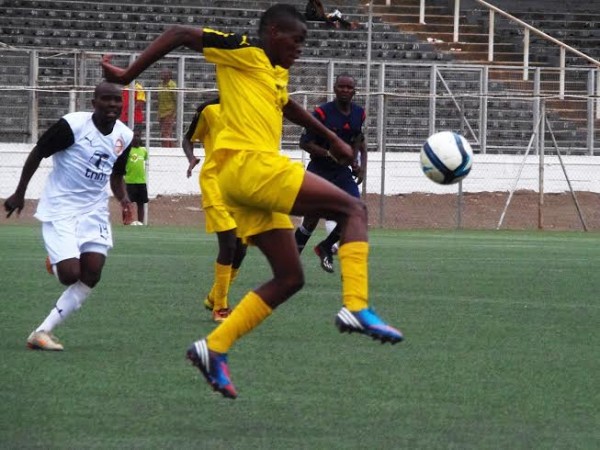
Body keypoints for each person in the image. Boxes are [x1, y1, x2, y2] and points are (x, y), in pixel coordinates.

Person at [101, 3, 403, 400]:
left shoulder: (275, 71)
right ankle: (356, 307)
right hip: (250, 165)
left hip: (243, 180)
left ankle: (214, 348)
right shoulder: (243, 49)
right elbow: (178, 32)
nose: (301, 49)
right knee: (354, 209)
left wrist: (332, 139)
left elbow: (287, 105)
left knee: (290, 278)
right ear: (274, 32)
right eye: (297, 41)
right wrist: (127, 75)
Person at [4, 81, 134, 351]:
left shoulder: (125, 136)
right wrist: (19, 193)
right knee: (69, 274)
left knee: (92, 273)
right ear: (93, 102)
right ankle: (57, 260)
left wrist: (122, 196)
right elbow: (38, 152)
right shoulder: (73, 126)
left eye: (117, 100)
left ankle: (42, 332)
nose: (113, 105)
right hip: (61, 207)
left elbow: (116, 174)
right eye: (106, 100)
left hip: (94, 210)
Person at [182, 98, 248, 322]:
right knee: (229, 243)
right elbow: (187, 139)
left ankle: (214, 295)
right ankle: (220, 307)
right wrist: (191, 158)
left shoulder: (254, 108)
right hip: (215, 183)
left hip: (244, 185)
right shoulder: (209, 110)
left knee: (241, 248)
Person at [295, 73, 366, 274]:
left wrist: (360, 165)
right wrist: (329, 154)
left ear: (354, 91)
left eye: (349, 87)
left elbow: (359, 141)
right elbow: (304, 142)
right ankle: (290, 264)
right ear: (334, 89)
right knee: (310, 219)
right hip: (319, 171)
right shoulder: (322, 113)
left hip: (342, 173)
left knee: (357, 211)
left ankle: (326, 246)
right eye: (341, 86)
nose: (345, 90)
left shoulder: (359, 113)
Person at [124, 127, 149, 226]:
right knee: (127, 203)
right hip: (130, 181)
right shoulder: (127, 151)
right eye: (134, 136)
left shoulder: (143, 151)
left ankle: (140, 223)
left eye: (138, 136)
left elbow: (144, 160)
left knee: (141, 203)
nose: (136, 138)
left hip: (141, 181)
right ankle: (127, 221)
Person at [157, 69, 177, 147]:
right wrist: (158, 114)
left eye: (164, 73)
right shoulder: (160, 86)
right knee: (168, 133)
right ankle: (172, 149)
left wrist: (173, 113)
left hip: (169, 112)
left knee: (165, 133)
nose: (162, 74)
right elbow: (159, 101)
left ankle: (165, 149)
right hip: (162, 112)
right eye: (162, 72)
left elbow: (176, 99)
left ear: (169, 75)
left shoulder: (172, 85)